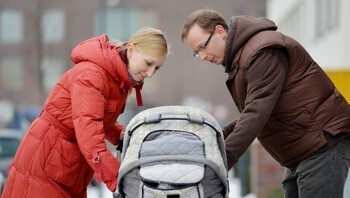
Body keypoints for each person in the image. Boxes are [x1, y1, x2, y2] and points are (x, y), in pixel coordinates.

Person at [181, 9, 350, 198]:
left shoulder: (261, 52)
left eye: (203, 46)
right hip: (302, 150)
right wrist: (212, 138)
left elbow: (256, 112)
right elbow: (252, 112)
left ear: (220, 31)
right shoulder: (243, 58)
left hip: (321, 144)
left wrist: (221, 161)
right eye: (196, 53)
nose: (202, 56)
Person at [2, 27, 169, 198]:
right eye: (148, 63)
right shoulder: (92, 75)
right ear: (132, 50)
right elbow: (90, 136)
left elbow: (96, 120)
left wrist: (124, 134)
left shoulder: (117, 79)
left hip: (65, 166)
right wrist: (120, 181)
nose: (150, 73)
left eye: (156, 68)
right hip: (47, 162)